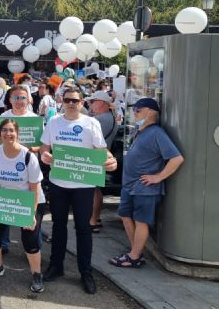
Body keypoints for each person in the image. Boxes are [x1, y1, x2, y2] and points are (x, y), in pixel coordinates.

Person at [39, 85, 118, 294]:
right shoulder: (54, 122)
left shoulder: (91, 123)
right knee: (58, 226)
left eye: (75, 100)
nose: (71, 104)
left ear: (82, 103)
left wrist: (111, 161)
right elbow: (45, 148)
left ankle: (85, 272)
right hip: (59, 183)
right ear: (62, 102)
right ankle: (56, 266)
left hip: (83, 185)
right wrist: (44, 156)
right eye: (68, 100)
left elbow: (102, 151)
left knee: (83, 229)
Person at [110, 98, 184, 268]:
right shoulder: (140, 130)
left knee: (141, 221)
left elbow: (177, 158)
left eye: (138, 110)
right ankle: (135, 252)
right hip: (130, 186)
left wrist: (158, 177)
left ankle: (134, 256)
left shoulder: (157, 133)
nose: (134, 112)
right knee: (125, 216)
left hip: (144, 188)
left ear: (151, 112)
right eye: (134, 110)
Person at [0, 119, 45, 292]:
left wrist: (31, 215)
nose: (8, 134)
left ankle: (36, 274)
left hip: (30, 200)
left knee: (29, 239)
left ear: (17, 133)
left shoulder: (28, 156)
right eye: (4, 130)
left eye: (11, 130)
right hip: (4, 200)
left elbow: (34, 189)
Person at [86, 90, 118, 233]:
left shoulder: (101, 119)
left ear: (101, 103)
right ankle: (94, 219)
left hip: (96, 157)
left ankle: (93, 220)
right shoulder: (107, 117)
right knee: (94, 189)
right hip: (98, 156)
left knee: (94, 189)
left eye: (92, 102)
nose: (90, 104)